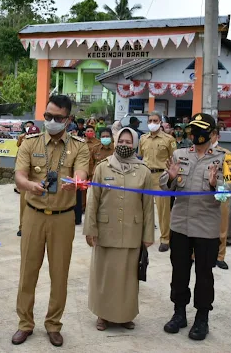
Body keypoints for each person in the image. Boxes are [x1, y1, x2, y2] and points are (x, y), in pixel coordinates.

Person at [11, 95, 90, 347]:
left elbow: (81, 172)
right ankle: (25, 323)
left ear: (68, 119)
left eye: (57, 118)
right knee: (27, 273)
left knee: (59, 274)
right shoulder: (30, 143)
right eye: (48, 116)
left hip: (63, 219)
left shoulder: (79, 146)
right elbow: (19, 176)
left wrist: (77, 182)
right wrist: (29, 186)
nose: (51, 121)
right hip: (33, 215)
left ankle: (53, 324)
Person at [160, 113, 225, 341]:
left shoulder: (223, 158)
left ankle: (202, 317)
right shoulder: (179, 154)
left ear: (213, 134)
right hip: (180, 224)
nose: (195, 135)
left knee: (204, 274)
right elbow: (166, 188)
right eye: (193, 131)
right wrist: (169, 178)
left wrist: (217, 185)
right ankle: (179, 313)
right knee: (179, 271)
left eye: (202, 131)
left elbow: (228, 195)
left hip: (206, 226)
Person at [84, 127, 154, 331]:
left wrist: (148, 235)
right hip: (106, 231)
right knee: (104, 275)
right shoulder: (102, 168)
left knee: (127, 278)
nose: (124, 145)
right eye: (121, 141)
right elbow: (92, 201)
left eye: (128, 142)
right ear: (116, 142)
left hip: (132, 231)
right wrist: (91, 228)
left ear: (135, 144)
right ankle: (102, 315)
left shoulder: (143, 171)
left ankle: (125, 315)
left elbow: (148, 206)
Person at [139, 111, 176, 253]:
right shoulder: (143, 138)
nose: (152, 123)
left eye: (155, 120)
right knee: (145, 208)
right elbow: (141, 157)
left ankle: (165, 239)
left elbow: (174, 159)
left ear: (160, 122)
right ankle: (146, 237)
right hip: (147, 175)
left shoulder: (169, 139)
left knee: (163, 210)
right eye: (150, 120)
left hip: (162, 177)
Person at [209, 128, 231, 271]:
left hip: (220, 194)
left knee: (222, 227)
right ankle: (195, 254)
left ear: (216, 136)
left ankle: (220, 256)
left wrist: (221, 188)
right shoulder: (197, 151)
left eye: (211, 134)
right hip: (201, 194)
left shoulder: (225, 154)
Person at [16, 121, 35, 235]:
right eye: (27, 127)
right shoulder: (22, 141)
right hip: (25, 179)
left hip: (36, 180)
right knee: (24, 204)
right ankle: (22, 227)